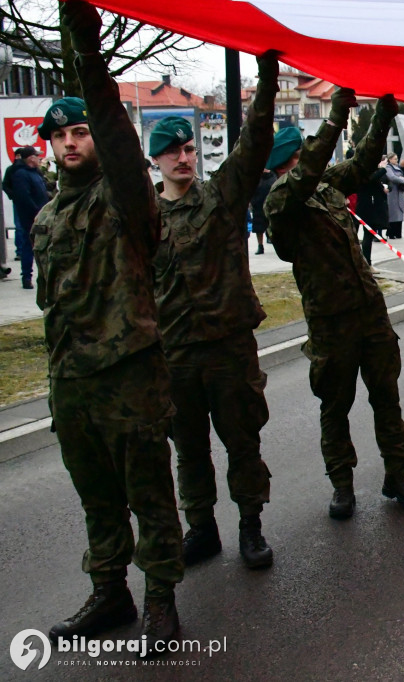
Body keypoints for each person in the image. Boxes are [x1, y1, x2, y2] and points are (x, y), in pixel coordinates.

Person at [34, 0, 182, 653]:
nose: (71, 142)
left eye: (81, 132)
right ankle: (111, 592)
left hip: (130, 375)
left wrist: (83, 42)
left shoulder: (122, 195)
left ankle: (160, 600)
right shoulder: (45, 221)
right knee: (97, 498)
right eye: (59, 136)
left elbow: (118, 134)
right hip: (73, 382)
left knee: (148, 491)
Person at [265, 90, 404, 519]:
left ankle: (397, 474)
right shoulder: (281, 201)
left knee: (386, 396)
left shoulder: (325, 187)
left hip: (368, 312)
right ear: (290, 162)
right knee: (335, 407)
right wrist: (336, 114)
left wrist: (383, 116)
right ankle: (342, 484)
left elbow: (362, 161)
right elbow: (307, 175)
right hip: (330, 324)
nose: (312, 162)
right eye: (304, 156)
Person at [149, 52, 278, 571]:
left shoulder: (220, 198)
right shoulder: (143, 216)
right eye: (172, 151)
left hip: (228, 349)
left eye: (188, 149)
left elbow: (254, 147)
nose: (183, 157)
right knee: (190, 451)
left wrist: (265, 81)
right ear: (155, 160)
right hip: (175, 354)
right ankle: (201, 528)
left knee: (242, 442)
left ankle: (251, 526)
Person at [5, 147, 48, 289]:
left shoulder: (36, 172)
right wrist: (36, 212)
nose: (39, 159)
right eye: (36, 156)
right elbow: (24, 196)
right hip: (31, 217)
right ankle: (27, 277)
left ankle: (46, 276)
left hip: (43, 216)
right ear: (30, 158)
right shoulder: (21, 174)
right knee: (28, 247)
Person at [355, 156, 390, 268]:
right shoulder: (364, 171)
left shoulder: (369, 172)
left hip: (369, 206)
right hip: (366, 207)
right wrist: (383, 168)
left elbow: (376, 183)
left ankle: (366, 262)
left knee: (368, 235)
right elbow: (371, 179)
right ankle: (365, 263)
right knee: (366, 235)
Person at [384, 153, 404, 238]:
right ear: (389, 159)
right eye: (394, 159)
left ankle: (398, 233)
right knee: (393, 212)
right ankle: (391, 233)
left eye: (396, 158)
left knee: (399, 211)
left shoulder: (398, 168)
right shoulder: (388, 168)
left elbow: (401, 176)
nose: (396, 160)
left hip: (399, 192)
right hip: (392, 193)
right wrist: (402, 181)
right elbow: (392, 177)